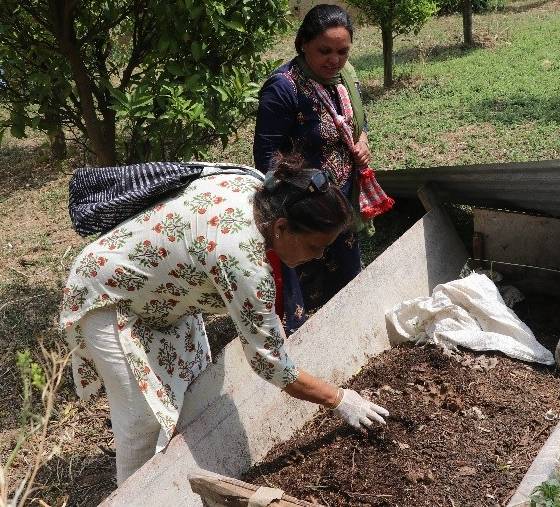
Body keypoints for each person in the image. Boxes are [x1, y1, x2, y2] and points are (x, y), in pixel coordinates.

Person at [59, 155, 389, 486]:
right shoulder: (243, 262)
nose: (319, 256)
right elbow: (271, 365)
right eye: (315, 246)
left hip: (165, 295)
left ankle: (175, 472)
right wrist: (340, 399)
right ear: (281, 228)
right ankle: (134, 492)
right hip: (109, 294)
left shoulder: (261, 189)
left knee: (195, 383)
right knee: (141, 418)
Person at [254, 4, 381, 334]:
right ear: (303, 44)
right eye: (325, 50)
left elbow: (358, 122)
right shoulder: (284, 88)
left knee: (345, 280)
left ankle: (346, 333)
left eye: (342, 51)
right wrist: (290, 203)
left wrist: (363, 140)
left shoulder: (345, 78)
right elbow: (266, 156)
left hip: (341, 204)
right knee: (301, 284)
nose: (334, 59)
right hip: (303, 210)